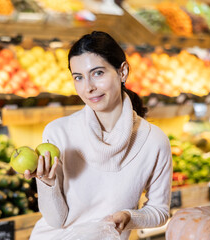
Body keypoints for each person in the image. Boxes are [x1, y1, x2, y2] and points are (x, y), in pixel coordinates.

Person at [24, 31, 172, 240]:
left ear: (123, 72)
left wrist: (130, 217)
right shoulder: (58, 132)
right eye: (78, 77)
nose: (88, 88)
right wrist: (47, 183)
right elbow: (57, 221)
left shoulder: (154, 141)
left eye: (98, 73)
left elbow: (159, 211)